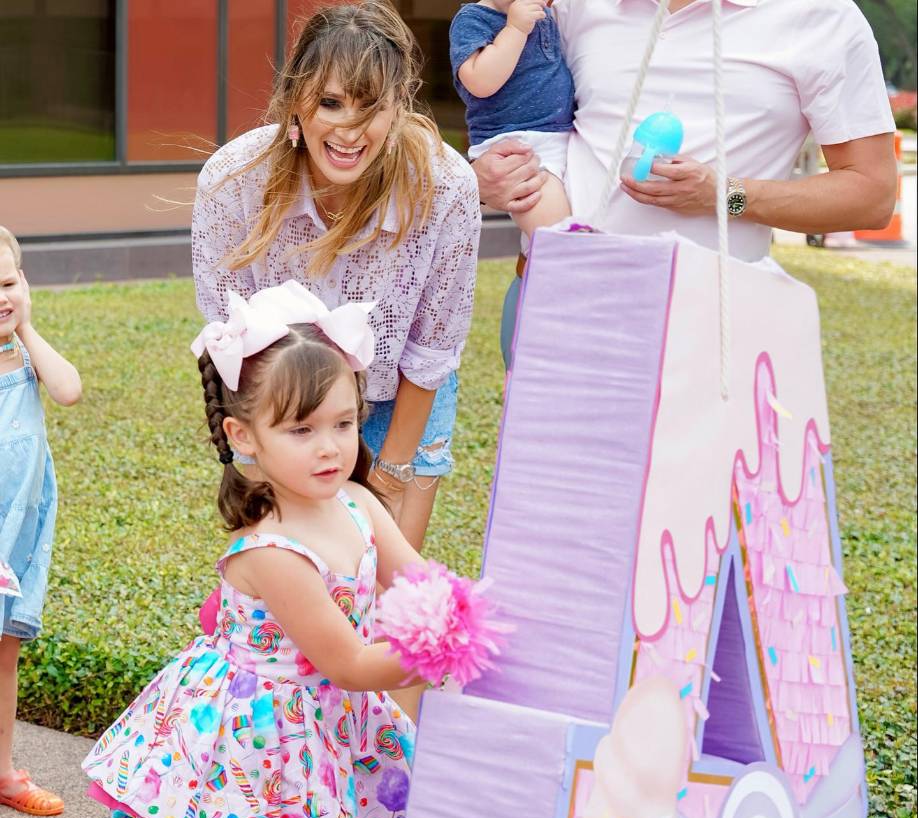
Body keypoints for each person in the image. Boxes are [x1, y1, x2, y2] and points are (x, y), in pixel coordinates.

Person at [82, 285, 437, 818]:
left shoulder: (357, 505)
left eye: (344, 423)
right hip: (223, 740)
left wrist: (462, 611)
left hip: (304, 747)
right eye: (301, 429)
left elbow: (418, 581)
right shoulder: (271, 551)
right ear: (242, 434)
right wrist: (442, 652)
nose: (329, 446)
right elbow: (351, 665)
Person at [193, 0, 480, 555]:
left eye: (370, 106)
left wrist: (389, 475)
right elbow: (235, 342)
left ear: (399, 108)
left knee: (383, 589)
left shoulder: (446, 186)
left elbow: (431, 348)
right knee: (293, 583)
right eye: (330, 102)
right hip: (282, 404)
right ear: (295, 101)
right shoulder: (233, 182)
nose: (349, 128)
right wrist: (263, 458)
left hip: (399, 397)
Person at [473, 0, 898, 366]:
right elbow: (511, 115)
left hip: (711, 327)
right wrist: (484, 178)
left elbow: (871, 195)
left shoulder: (820, 16)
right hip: (554, 306)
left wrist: (723, 195)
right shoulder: (573, 6)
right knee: (550, 462)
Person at [0, 225, 82, 817]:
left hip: (17, 534)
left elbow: (69, 389)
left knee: (6, 653)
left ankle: (3, 771)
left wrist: (26, 326)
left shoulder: (26, 351)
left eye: (7, 282)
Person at [449, 0, 574, 242]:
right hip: (517, 148)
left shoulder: (544, 13)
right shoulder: (472, 18)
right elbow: (479, 82)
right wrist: (515, 30)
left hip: (563, 137)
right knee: (556, 233)